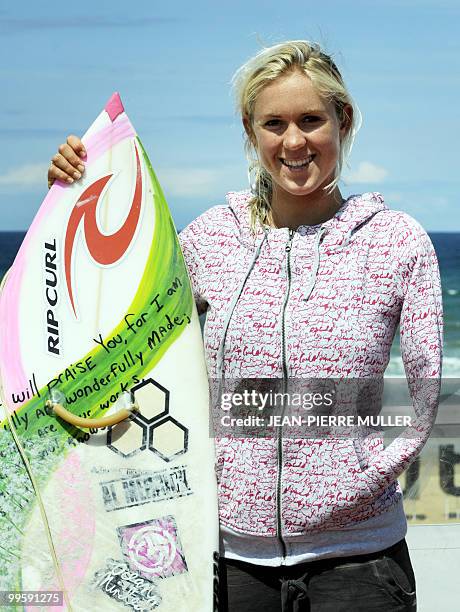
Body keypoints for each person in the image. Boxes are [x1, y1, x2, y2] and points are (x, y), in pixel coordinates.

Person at [47, 40, 442, 611]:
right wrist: (70, 198)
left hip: (361, 563)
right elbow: (113, 324)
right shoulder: (211, 239)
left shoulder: (395, 241)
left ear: (343, 121)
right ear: (252, 132)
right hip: (229, 563)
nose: (293, 141)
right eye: (274, 123)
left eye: (311, 120)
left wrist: (364, 479)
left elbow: (428, 389)